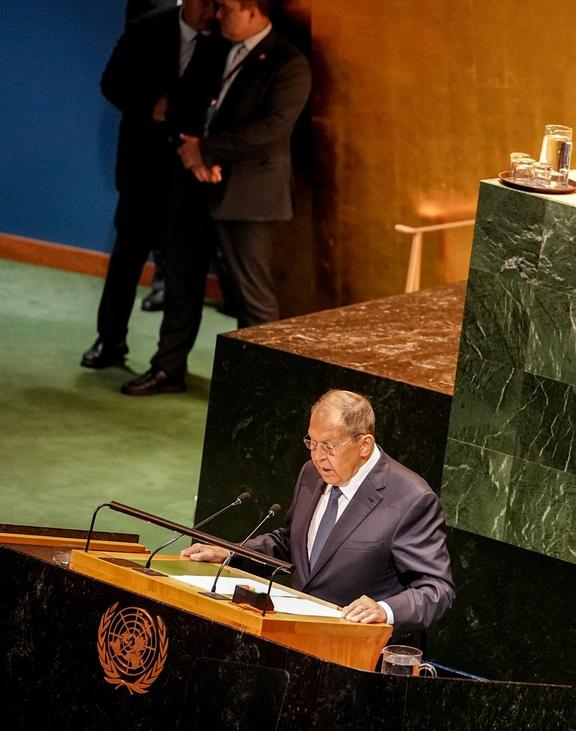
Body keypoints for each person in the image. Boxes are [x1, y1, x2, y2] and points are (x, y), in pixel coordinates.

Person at [123, 0, 311, 395]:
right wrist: (192, 154)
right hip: (194, 185)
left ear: (253, 11)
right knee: (181, 283)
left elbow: (271, 130)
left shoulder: (289, 63)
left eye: (226, 8)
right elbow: (179, 102)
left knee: (253, 298)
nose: (217, 14)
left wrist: (207, 152)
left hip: (248, 196)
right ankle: (167, 368)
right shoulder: (211, 48)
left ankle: (259, 390)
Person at [181, 390, 456, 632]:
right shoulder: (311, 474)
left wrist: (385, 610)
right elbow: (291, 543)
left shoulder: (411, 499)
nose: (317, 456)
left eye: (329, 446)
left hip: (354, 646)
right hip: (292, 630)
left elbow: (437, 589)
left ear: (364, 445)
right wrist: (232, 554)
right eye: (311, 442)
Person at [81, 0, 215, 370]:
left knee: (184, 269)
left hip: (193, 171)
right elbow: (111, 83)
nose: (213, 12)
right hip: (143, 164)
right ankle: (109, 341)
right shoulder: (147, 27)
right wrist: (148, 108)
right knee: (126, 258)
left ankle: (169, 363)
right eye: (206, 3)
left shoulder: (222, 35)